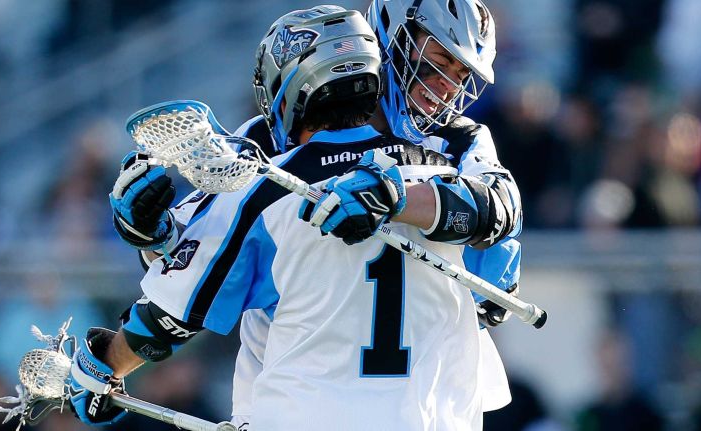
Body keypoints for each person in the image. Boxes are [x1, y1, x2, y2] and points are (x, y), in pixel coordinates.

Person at [73, 5, 519, 430]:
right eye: (440, 60)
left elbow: (184, 294)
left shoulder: (451, 141)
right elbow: (498, 269)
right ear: (391, 35)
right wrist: (152, 233)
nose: (448, 88)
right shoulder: (435, 165)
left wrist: (395, 197)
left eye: (462, 75)